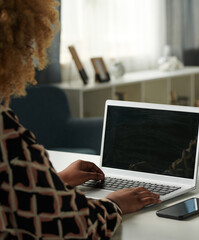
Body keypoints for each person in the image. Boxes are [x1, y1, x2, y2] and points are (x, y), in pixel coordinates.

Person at [0, 1, 161, 239]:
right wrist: (113, 203)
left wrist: (57, 181)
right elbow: (70, 227)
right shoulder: (6, 133)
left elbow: (11, 194)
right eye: (26, 46)